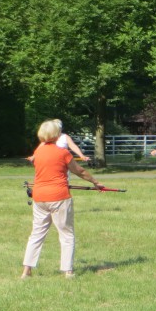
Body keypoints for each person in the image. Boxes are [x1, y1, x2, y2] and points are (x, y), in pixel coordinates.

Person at [21, 119, 105, 279]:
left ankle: (26, 271)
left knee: (37, 234)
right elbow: (80, 171)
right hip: (59, 197)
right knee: (66, 234)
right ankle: (68, 271)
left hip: (39, 196)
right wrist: (95, 182)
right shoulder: (63, 153)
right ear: (56, 134)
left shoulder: (37, 152)